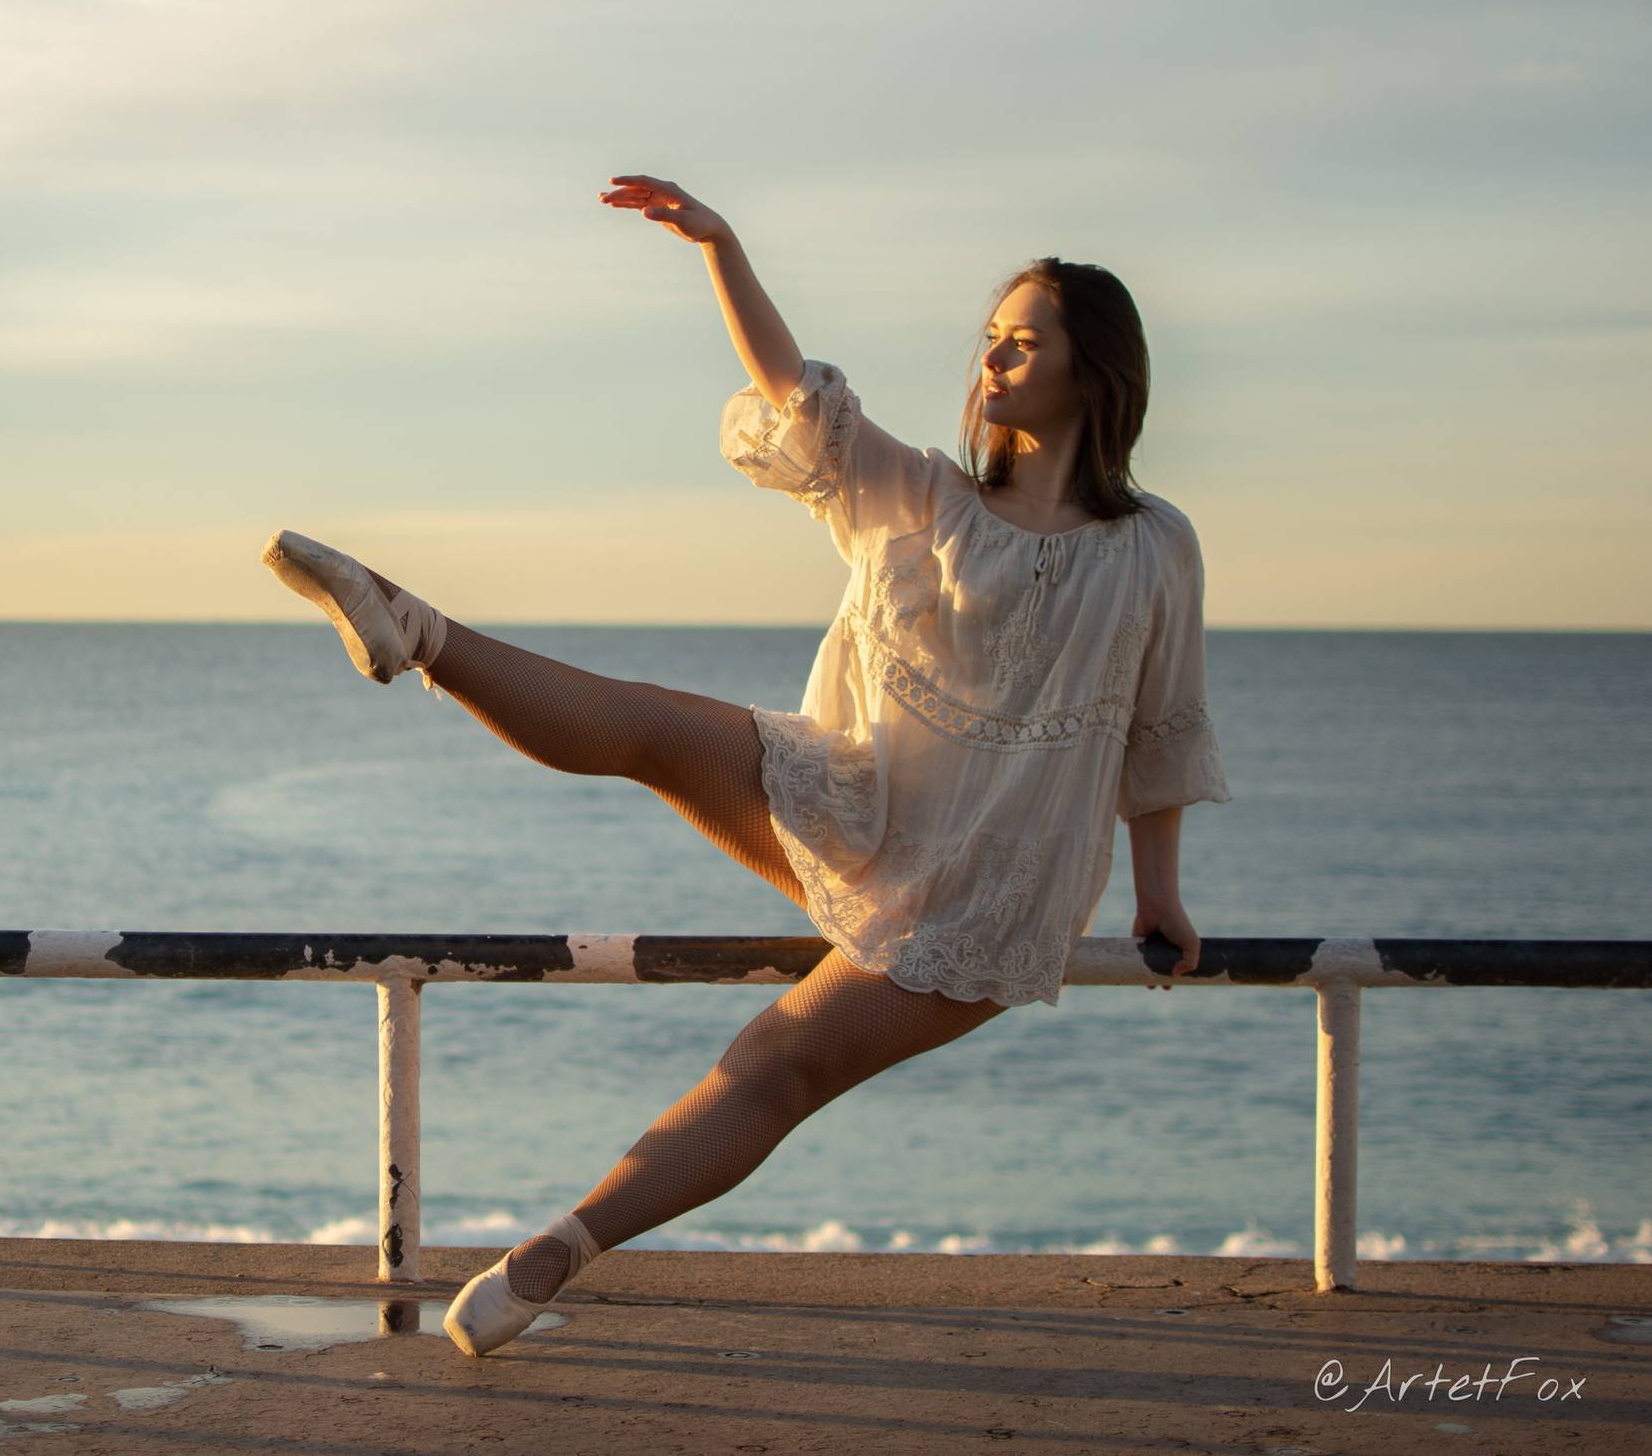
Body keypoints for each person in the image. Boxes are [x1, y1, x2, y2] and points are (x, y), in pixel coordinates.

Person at [258, 174, 1231, 1358]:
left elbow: (1160, 724)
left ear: (1094, 368)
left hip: (994, 893)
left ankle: (558, 1247)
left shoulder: (1153, 546)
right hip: (867, 806)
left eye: (1023, 343)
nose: (992, 362)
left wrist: (1160, 891)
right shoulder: (923, 492)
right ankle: (418, 629)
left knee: (782, 1058)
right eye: (987, 341)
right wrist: (722, 250)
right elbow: (795, 395)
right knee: (659, 728)